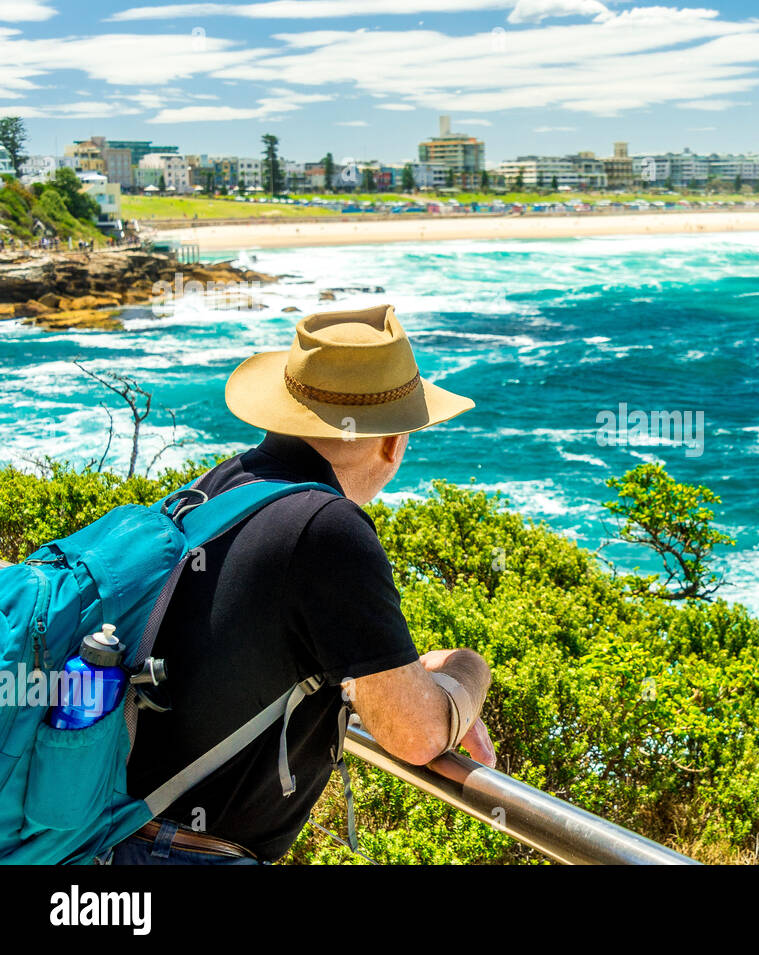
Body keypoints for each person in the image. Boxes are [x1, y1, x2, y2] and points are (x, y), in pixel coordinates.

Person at [111, 304, 493, 865]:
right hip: (185, 855)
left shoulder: (216, 491)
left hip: (112, 833)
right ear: (393, 443)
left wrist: (395, 677)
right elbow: (415, 736)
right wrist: (466, 672)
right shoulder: (325, 527)